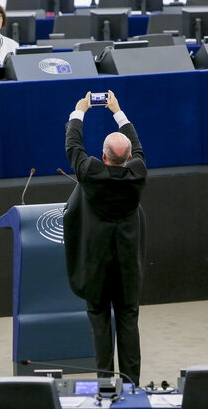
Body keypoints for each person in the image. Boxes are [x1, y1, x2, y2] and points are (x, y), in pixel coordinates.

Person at [62, 90, 147, 387]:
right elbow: (137, 147)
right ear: (126, 159)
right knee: (128, 321)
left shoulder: (91, 173)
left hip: (96, 266)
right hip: (126, 267)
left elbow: (73, 147)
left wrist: (79, 111)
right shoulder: (138, 174)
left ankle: (105, 384)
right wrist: (118, 112)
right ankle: (132, 384)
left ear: (104, 155)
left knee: (99, 322)